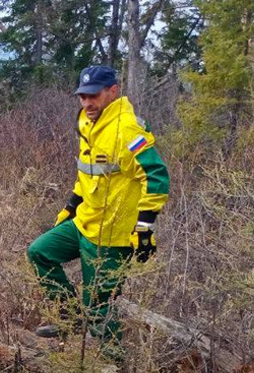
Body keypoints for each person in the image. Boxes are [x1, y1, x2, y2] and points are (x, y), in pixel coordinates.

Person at [27, 66, 169, 353]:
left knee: (100, 308)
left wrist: (144, 227)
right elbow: (88, 174)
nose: (87, 103)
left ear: (112, 92)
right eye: (83, 97)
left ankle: (114, 368)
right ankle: (69, 316)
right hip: (84, 222)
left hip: (112, 235)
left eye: (94, 96)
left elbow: (156, 177)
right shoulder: (88, 124)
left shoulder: (126, 130)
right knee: (39, 252)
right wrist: (70, 207)